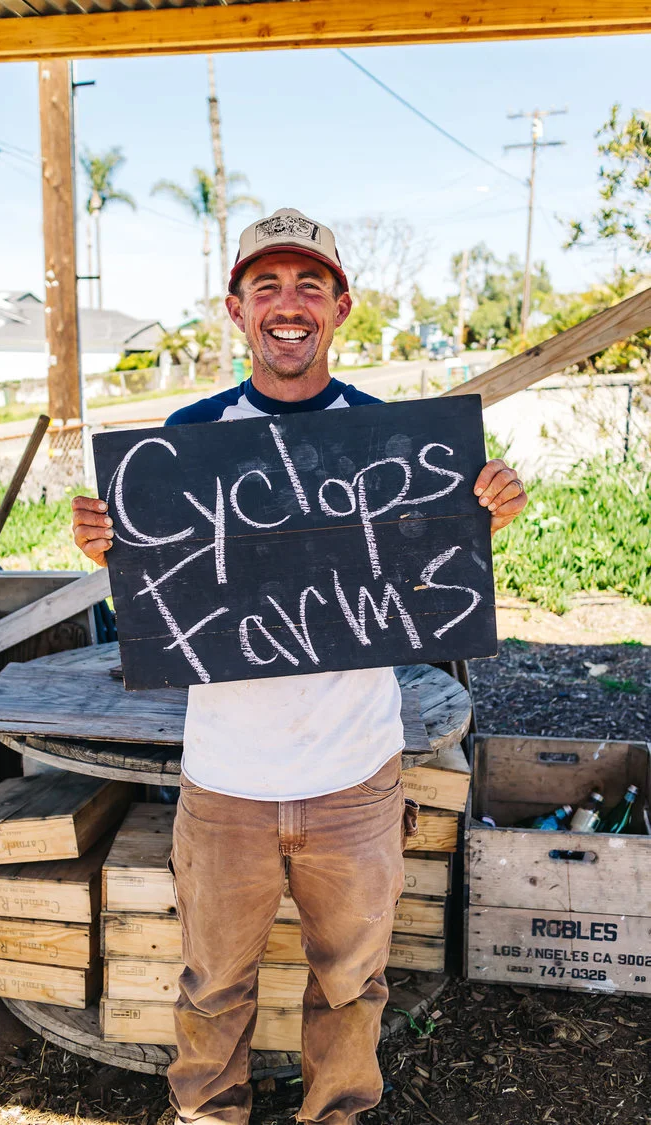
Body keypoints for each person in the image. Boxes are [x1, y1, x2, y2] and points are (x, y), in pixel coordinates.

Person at [72, 208, 528, 1125]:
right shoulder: (185, 441)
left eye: (309, 285)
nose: (289, 305)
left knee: (352, 986)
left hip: (355, 779)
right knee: (211, 986)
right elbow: (162, 595)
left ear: (340, 307)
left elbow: (429, 578)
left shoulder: (392, 440)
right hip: (225, 784)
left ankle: (339, 1114)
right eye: (267, 286)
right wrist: (111, 548)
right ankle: (208, 1113)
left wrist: (484, 511)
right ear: (236, 309)